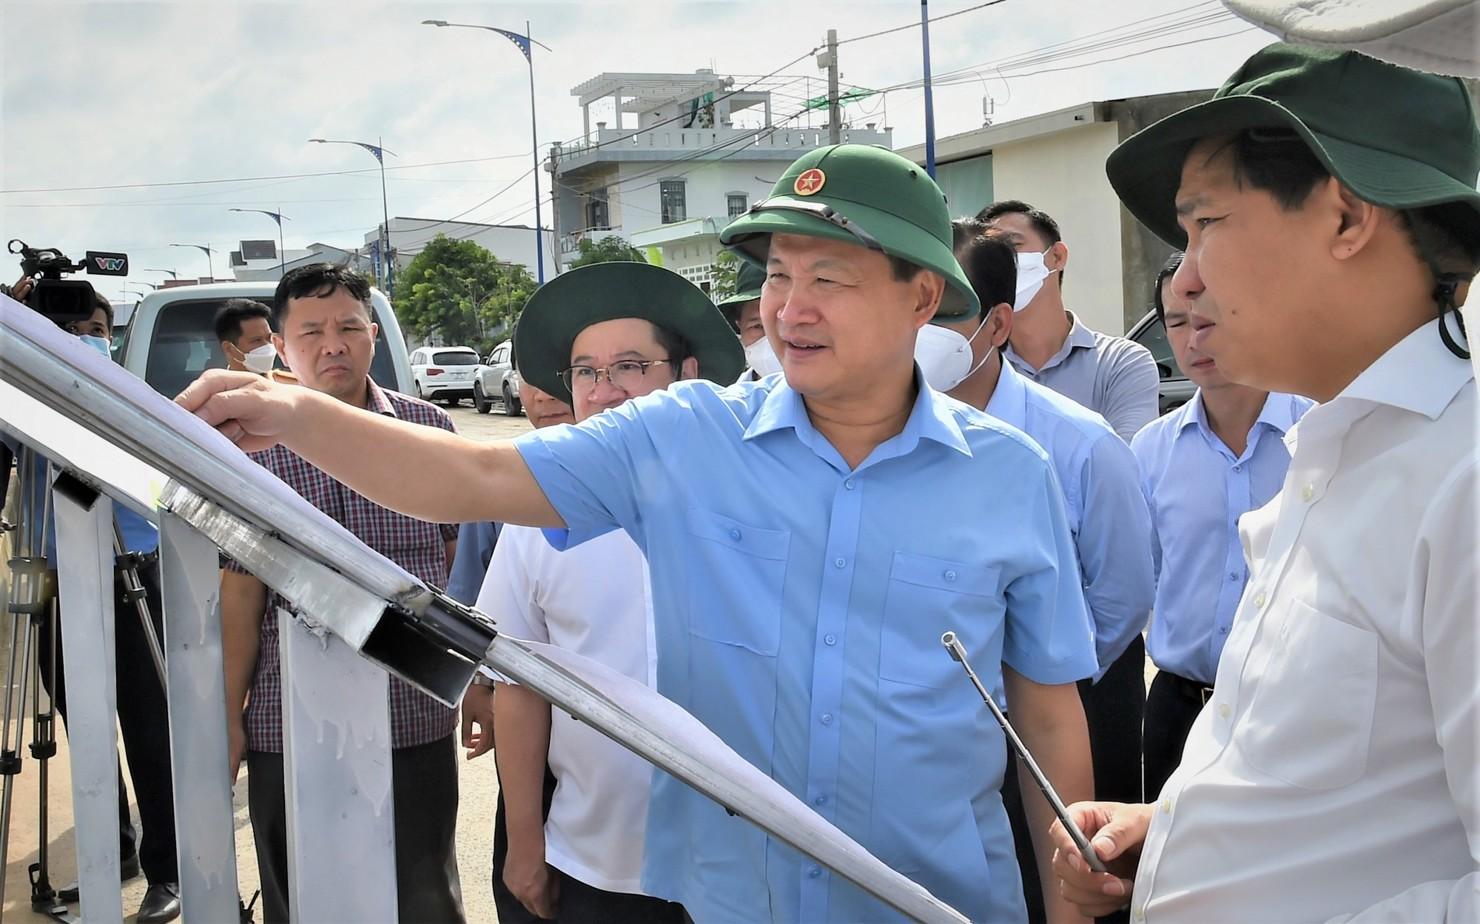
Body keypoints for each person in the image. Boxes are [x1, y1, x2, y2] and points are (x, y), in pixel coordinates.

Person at [179, 143, 1099, 923]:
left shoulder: (1011, 476)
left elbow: (1045, 713)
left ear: (919, 298)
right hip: (732, 902)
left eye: (831, 277)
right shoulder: (689, 435)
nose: (791, 307)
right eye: (779, 273)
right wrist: (292, 414)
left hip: (931, 900)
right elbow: (474, 477)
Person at [1049, 43, 1479, 922]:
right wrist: (1170, 832)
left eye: (1207, 224)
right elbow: (1343, 799)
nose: (1190, 276)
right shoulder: (1336, 457)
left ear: (1347, 218)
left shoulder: (1462, 481)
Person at [483, 261, 739, 923]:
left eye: (629, 366)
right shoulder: (536, 521)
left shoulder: (752, 501)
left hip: (747, 860)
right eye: (586, 372)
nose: (604, 391)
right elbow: (519, 686)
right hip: (597, 865)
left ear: (684, 377)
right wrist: (526, 841)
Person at [217, 264, 466, 923]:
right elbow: (240, 598)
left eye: (350, 328)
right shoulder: (249, 447)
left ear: (374, 336)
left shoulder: (428, 430)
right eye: (314, 331)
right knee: (302, 896)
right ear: (280, 342)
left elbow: (457, 573)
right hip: (290, 718)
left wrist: (482, 687)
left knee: (422, 894)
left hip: (412, 709)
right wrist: (227, 714)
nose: (334, 345)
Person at [932, 222, 1154, 923]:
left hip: (1069, 714)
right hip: (941, 732)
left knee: (1064, 891)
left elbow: (1123, 596)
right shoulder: (877, 436)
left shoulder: (1079, 445)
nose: (919, 332)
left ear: (997, 325)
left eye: (943, 315)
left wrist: (1043, 683)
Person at [0, 283, 181, 923]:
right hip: (51, 575)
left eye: (96, 326)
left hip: (131, 568)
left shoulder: (129, 393)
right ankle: (112, 854)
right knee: (85, 722)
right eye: (68, 328)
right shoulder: (15, 401)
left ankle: (170, 869)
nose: (86, 339)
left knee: (149, 724)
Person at [1130, 252, 1312, 800]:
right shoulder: (1151, 450)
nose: (1193, 340)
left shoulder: (1319, 434)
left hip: (1291, 709)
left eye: (1209, 319)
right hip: (1180, 708)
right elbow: (1145, 578)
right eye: (1177, 323)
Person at [442, 380, 570, 924]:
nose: (546, 393)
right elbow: (472, 597)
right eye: (530, 378)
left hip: (616, 747)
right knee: (526, 843)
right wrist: (478, 685)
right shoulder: (504, 477)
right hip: (530, 717)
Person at [978, 200, 1159, 442]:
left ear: (1056, 256)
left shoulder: (1120, 362)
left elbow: (1126, 463)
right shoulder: (977, 368)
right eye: (989, 256)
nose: (1001, 264)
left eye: (1013, 246)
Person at [715, 260, 780, 379]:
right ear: (739, 326)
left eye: (781, 323)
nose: (769, 338)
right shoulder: (727, 397)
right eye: (757, 326)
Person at [214, 297, 276, 374]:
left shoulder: (288, 384)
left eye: (269, 338)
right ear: (229, 348)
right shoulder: (210, 385)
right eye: (257, 340)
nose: (268, 346)